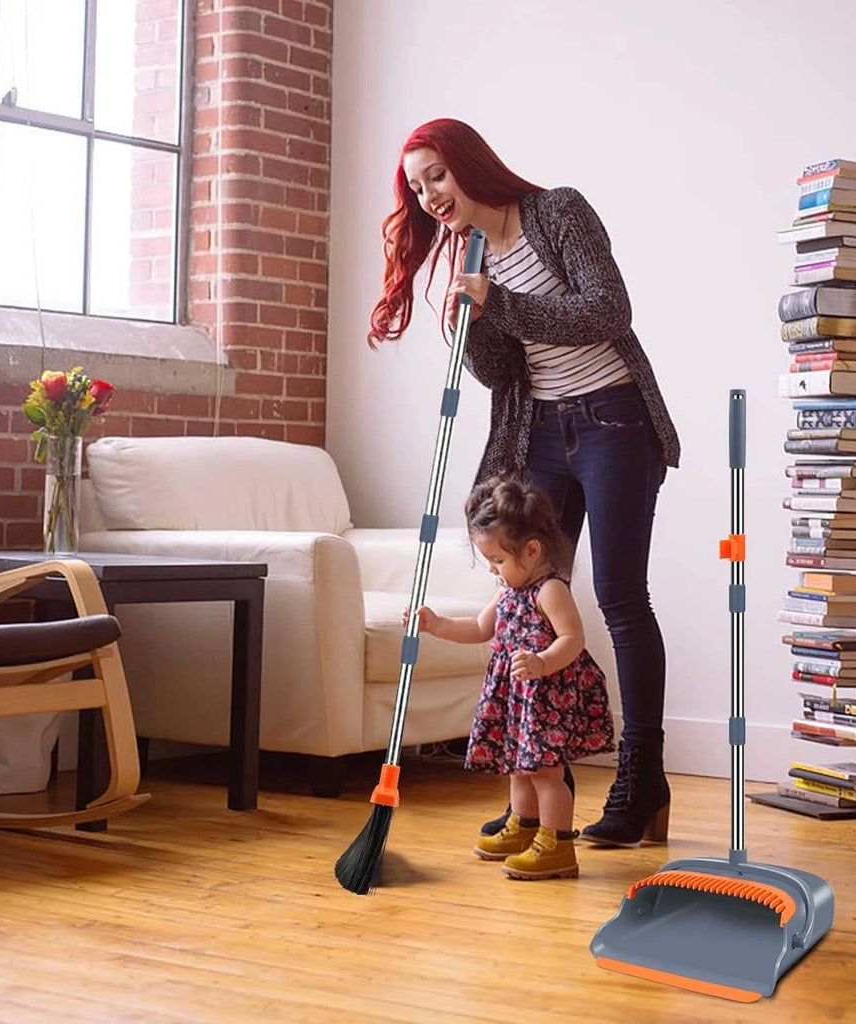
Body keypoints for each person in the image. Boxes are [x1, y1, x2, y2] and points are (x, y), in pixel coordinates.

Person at [370, 118, 681, 848]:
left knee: (620, 599)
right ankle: (547, 794)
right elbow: (505, 373)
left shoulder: (557, 212)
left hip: (614, 422)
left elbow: (609, 310)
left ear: (470, 164)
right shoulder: (467, 254)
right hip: (538, 429)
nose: (431, 196)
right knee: (529, 601)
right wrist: (472, 325)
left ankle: (643, 779)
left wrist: (500, 302)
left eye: (437, 176)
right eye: (418, 188)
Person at [406, 476, 615, 880]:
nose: (493, 569)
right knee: (519, 768)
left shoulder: (550, 590)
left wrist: (542, 661)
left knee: (546, 774)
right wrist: (438, 625)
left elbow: (573, 638)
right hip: (518, 698)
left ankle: (557, 845)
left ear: (532, 550)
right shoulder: (507, 592)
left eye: (498, 560)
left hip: (546, 697)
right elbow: (479, 628)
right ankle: (525, 826)